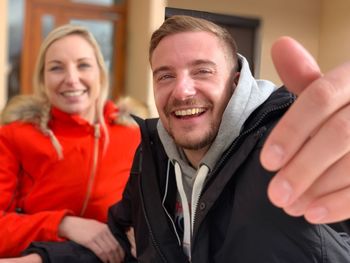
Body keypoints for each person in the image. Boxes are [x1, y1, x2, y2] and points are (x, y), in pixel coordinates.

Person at [6, 15, 350, 263]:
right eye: (166, 75)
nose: (183, 90)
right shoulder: (152, 151)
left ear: (236, 80)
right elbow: (121, 242)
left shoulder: (288, 144)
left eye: (202, 70)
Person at [0, 24, 140, 261]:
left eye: (83, 65)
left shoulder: (134, 136)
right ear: (43, 79)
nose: (71, 79)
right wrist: (63, 224)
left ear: (100, 73)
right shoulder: (14, 136)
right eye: (56, 68)